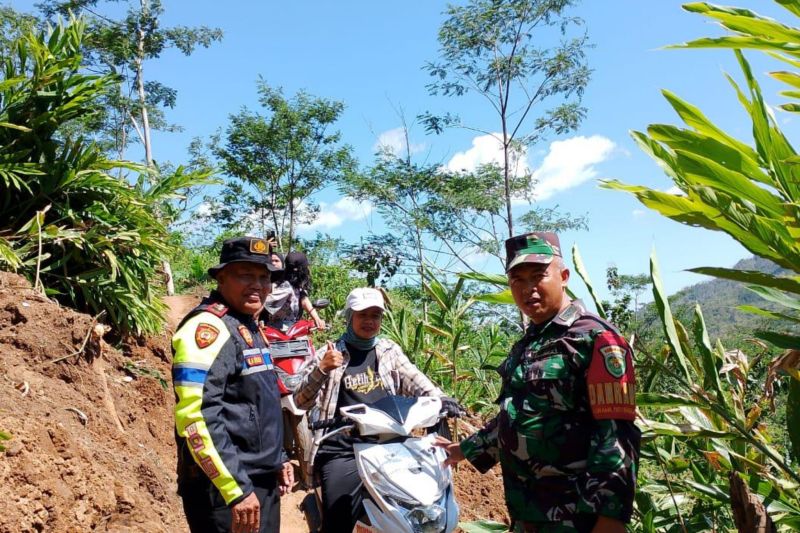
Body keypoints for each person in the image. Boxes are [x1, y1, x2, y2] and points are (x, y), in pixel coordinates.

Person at [436, 232, 641, 533]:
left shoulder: (596, 339)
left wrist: (610, 519)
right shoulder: (529, 343)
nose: (528, 289)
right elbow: (517, 415)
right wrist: (461, 451)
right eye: (518, 280)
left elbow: (617, 434)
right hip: (529, 511)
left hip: (576, 516)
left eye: (538, 276)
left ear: (564, 276)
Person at [294, 287, 457, 533]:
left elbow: (415, 379)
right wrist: (322, 370)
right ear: (350, 317)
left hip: (391, 442)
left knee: (424, 498)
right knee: (339, 516)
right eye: (363, 315)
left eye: (376, 315)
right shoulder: (329, 353)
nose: (370, 321)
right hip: (343, 446)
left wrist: (442, 399)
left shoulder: (388, 350)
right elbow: (300, 401)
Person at [172, 236, 294, 533]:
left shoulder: (249, 325)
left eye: (264, 277)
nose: (257, 285)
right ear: (221, 278)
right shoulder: (208, 328)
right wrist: (236, 488)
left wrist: (277, 458)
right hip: (226, 491)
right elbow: (197, 416)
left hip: (256, 480)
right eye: (246, 275)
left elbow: (257, 401)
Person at [263, 251, 325, 331]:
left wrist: (317, 319)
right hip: (277, 333)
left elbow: (304, 300)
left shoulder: (296, 284)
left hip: (293, 330)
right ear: (302, 269)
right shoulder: (285, 286)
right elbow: (263, 304)